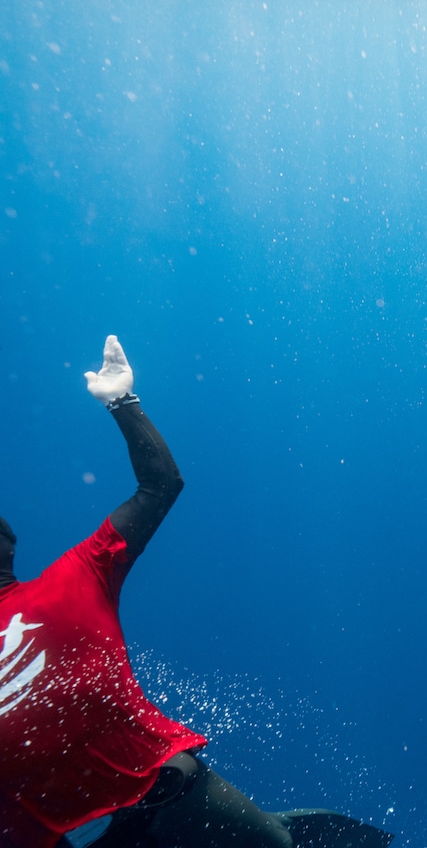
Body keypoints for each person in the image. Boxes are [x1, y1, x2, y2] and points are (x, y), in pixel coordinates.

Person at [0, 336, 391, 848]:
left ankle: (286, 831)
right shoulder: (77, 573)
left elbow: (160, 485)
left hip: (167, 794)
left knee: (277, 844)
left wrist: (123, 403)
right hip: (66, 838)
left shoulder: (77, 574)